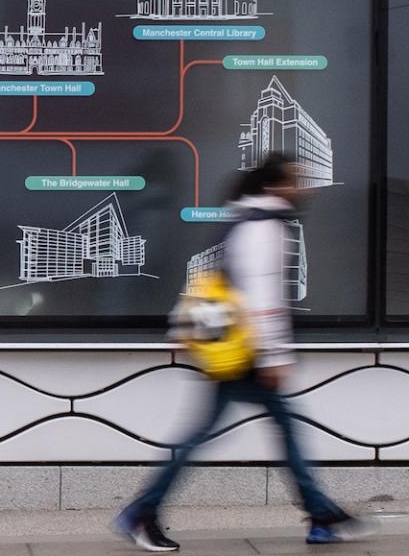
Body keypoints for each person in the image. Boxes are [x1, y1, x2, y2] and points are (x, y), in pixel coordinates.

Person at [115, 154, 362, 552]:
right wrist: (274, 358)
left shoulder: (242, 219)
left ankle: (321, 516)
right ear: (276, 186)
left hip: (236, 349)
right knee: (220, 434)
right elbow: (264, 299)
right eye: (298, 180)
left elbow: (207, 279)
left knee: (270, 429)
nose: (306, 188)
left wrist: (183, 325)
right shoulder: (266, 227)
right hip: (245, 355)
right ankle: (142, 512)